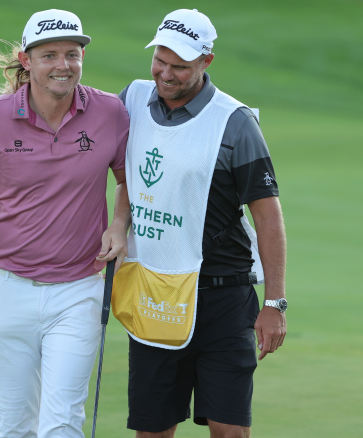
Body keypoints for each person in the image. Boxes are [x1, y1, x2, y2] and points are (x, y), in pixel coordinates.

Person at [0, 9, 130, 438]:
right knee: (14, 426)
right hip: (8, 288)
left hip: (79, 288)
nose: (63, 65)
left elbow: (128, 181)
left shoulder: (110, 112)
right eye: (50, 55)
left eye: (72, 54)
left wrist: (121, 222)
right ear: (26, 60)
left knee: (61, 423)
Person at [112, 9, 287, 438]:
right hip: (155, 293)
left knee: (229, 430)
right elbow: (120, 174)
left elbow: (268, 218)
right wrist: (119, 223)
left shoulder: (235, 123)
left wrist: (274, 303)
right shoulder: (131, 100)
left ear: (206, 62)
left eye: (180, 66)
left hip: (224, 298)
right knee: (152, 429)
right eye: (160, 61)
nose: (166, 74)